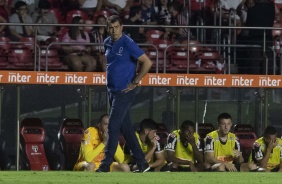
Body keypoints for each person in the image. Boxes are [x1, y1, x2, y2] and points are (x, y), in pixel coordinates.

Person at [96, 15, 153, 173]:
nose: (113, 30)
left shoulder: (127, 42)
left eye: (116, 27)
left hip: (124, 91)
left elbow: (147, 62)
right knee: (126, 128)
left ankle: (105, 165)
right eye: (110, 28)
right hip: (112, 91)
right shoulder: (107, 42)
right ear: (108, 29)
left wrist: (135, 82)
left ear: (121, 27)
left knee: (113, 127)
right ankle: (142, 164)